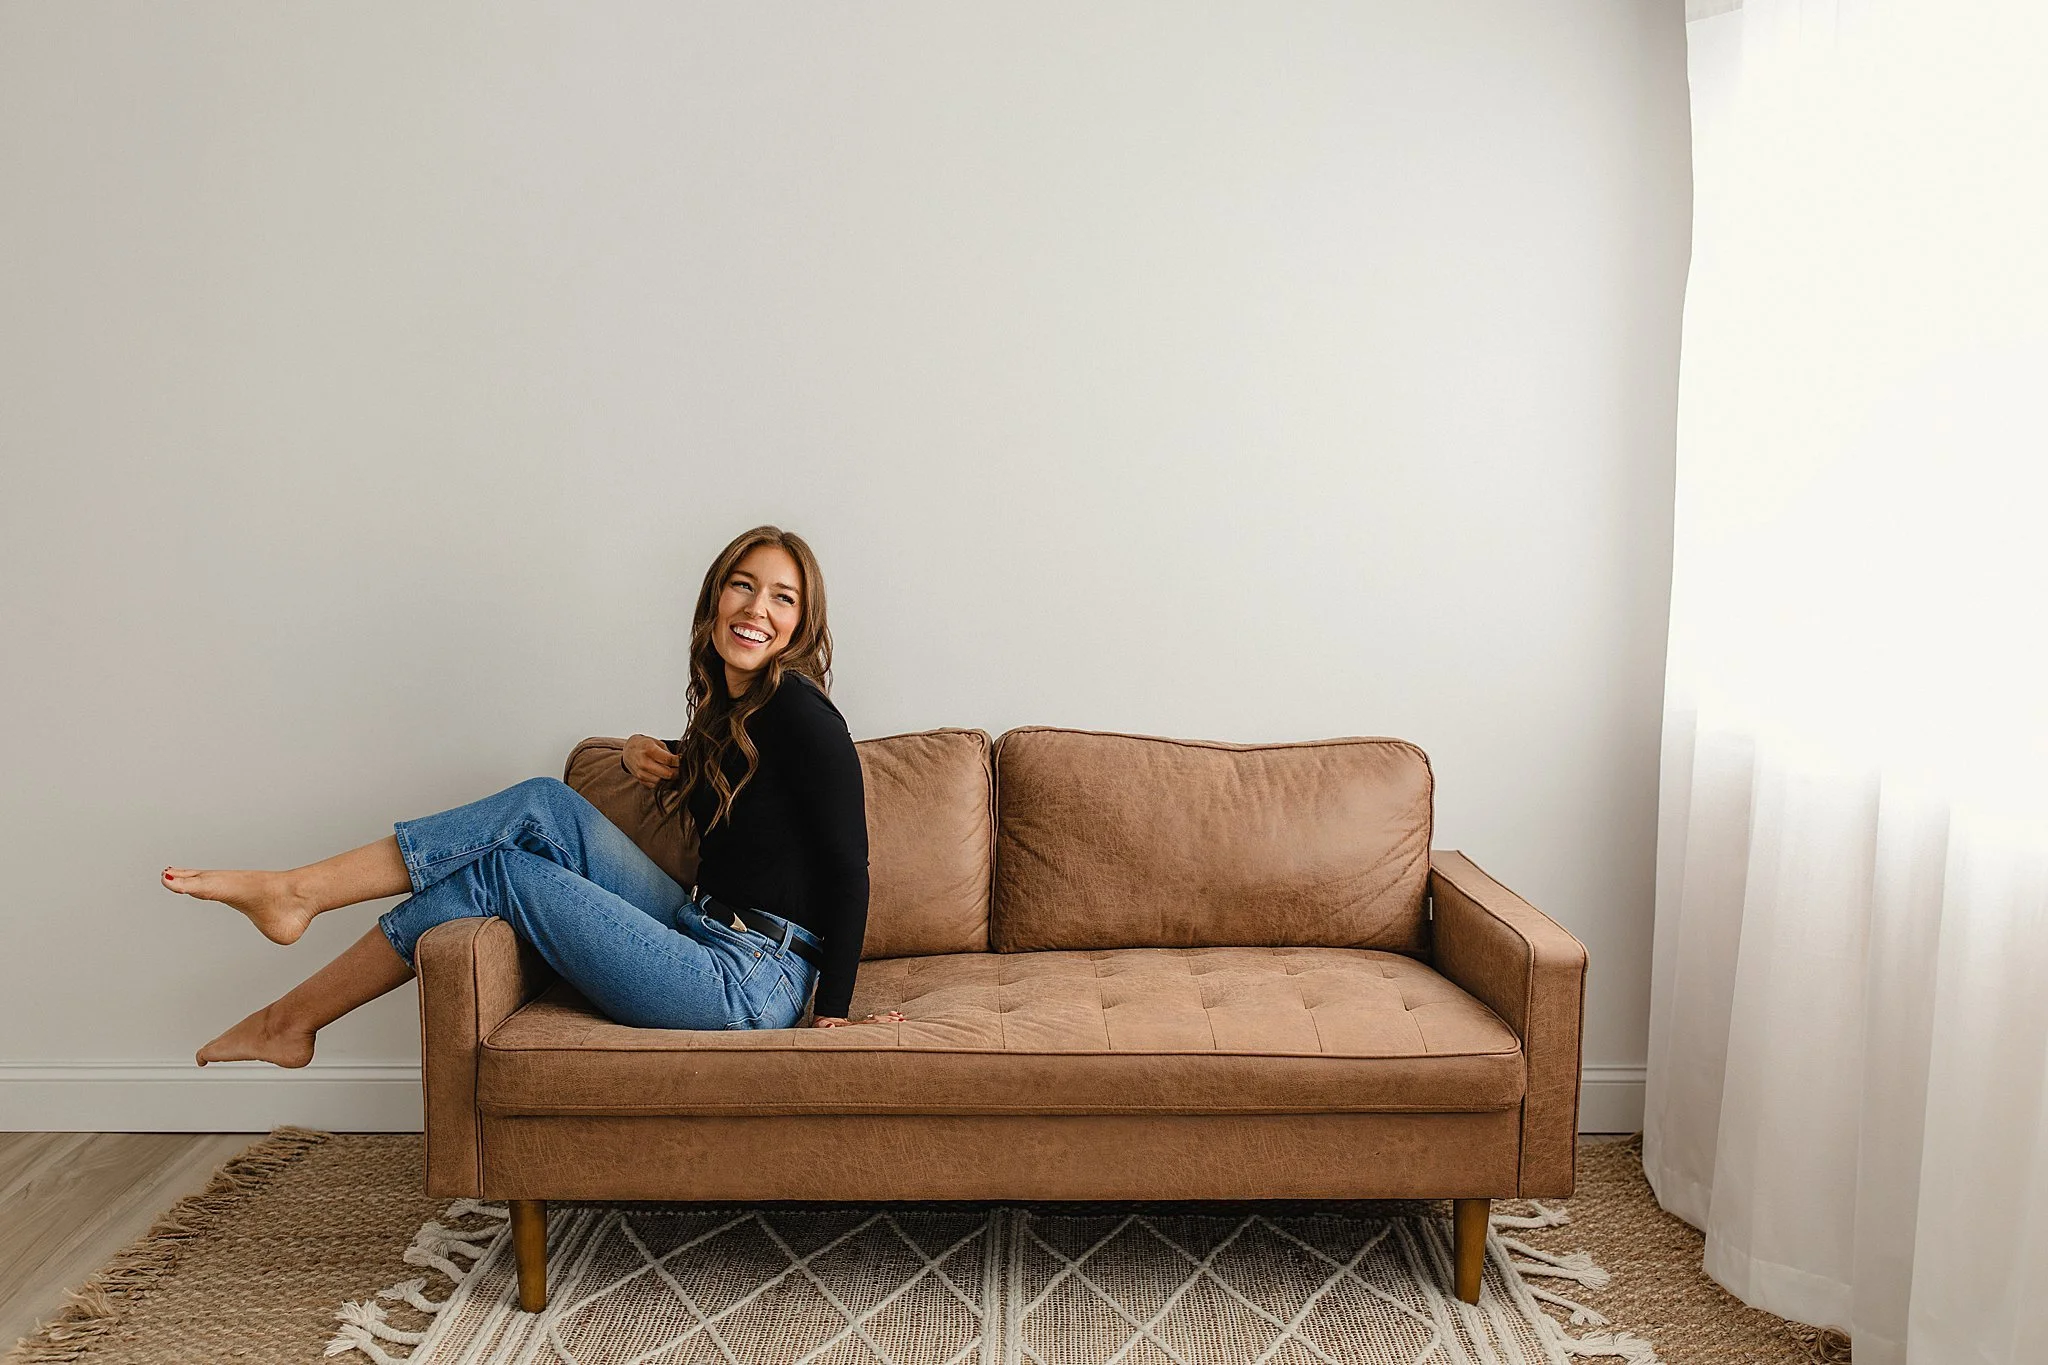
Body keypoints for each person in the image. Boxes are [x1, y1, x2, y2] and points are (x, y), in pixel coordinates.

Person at [161, 525, 904, 1067]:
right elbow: (757, 821)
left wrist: (832, 1012)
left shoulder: (803, 711)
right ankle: (298, 909)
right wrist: (679, 758)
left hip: (748, 981)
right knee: (543, 804)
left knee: (501, 873)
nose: (758, 608)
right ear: (714, 597)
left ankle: (292, 986)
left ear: (801, 623)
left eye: (783, 597)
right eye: (744, 584)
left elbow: (849, 867)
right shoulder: (734, 716)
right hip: (699, 924)